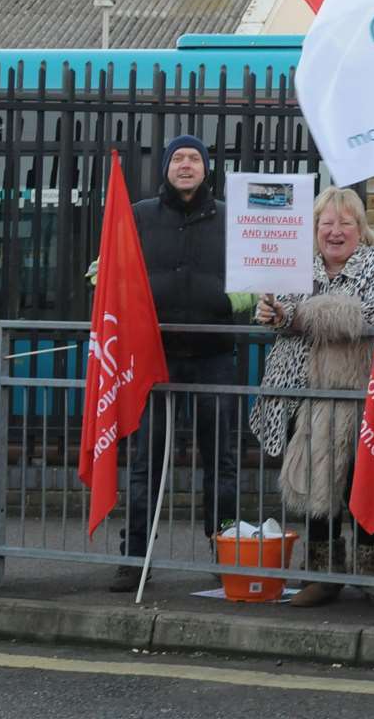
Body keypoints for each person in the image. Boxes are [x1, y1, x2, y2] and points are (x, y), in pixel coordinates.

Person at [110, 134, 245, 592]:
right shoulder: (140, 215)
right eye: (178, 158)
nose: (186, 165)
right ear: (165, 167)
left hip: (214, 357)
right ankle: (135, 557)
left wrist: (237, 300)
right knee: (146, 461)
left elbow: (257, 274)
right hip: (154, 360)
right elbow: (109, 265)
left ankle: (224, 549)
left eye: (194, 158)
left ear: (207, 169)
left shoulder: (232, 218)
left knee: (222, 461)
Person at [251, 188, 374, 607]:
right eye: (325, 223)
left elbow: (368, 318)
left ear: (360, 228)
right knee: (313, 480)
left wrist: (298, 316)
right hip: (300, 391)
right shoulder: (292, 264)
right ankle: (322, 574)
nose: (335, 231)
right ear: (313, 230)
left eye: (345, 223)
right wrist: (270, 314)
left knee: (360, 482)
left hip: (358, 392)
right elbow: (279, 319)